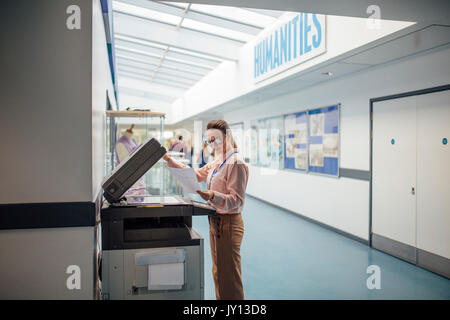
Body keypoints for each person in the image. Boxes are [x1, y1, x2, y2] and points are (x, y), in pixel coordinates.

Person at [162, 120, 249, 300]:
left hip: (229, 225)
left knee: (229, 278)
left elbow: (237, 201)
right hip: (215, 222)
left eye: (216, 139)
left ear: (228, 136)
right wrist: (169, 160)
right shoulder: (218, 160)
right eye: (210, 141)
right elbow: (195, 174)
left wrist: (212, 195)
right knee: (219, 273)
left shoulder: (236, 163)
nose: (213, 144)